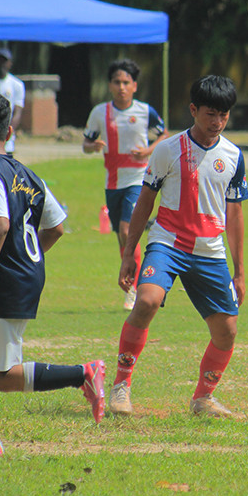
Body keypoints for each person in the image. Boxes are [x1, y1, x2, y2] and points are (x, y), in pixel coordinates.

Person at [0, 90, 105, 456]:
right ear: (11, 129)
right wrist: (25, 260)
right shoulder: (29, 174)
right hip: (18, 275)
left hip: (5, 281)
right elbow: (57, 227)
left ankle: (83, 373)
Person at [112, 75, 248, 418]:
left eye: (224, 115)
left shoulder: (233, 156)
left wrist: (240, 271)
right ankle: (121, 387)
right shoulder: (168, 149)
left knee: (227, 331)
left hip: (210, 250)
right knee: (146, 301)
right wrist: (130, 253)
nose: (217, 122)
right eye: (210, 114)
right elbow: (144, 202)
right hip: (168, 242)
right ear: (193, 110)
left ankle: (203, 399)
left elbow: (235, 214)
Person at [83, 59, 168, 311]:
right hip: (112, 182)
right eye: (117, 82)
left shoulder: (144, 111)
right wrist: (93, 146)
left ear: (134, 86)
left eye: (126, 82)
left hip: (139, 178)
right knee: (123, 239)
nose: (121, 87)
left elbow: (163, 133)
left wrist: (148, 150)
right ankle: (135, 278)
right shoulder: (100, 112)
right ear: (110, 85)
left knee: (125, 229)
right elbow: (85, 144)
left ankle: (135, 289)